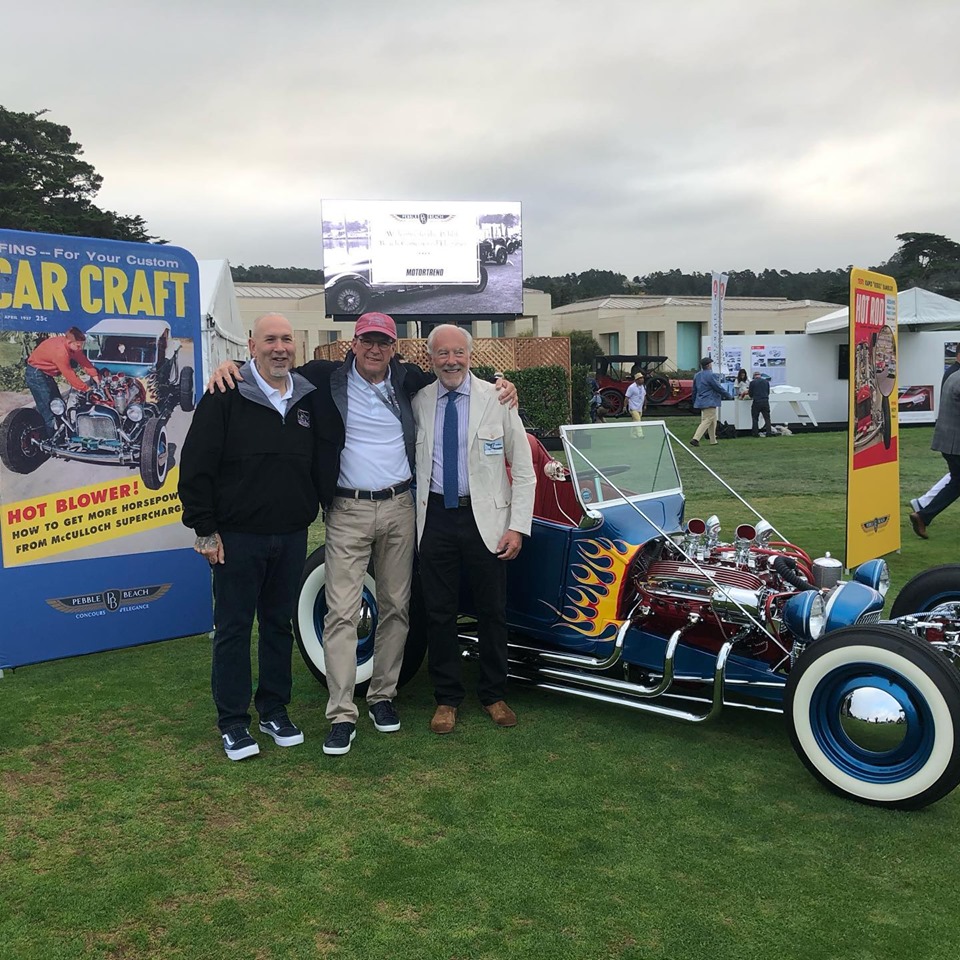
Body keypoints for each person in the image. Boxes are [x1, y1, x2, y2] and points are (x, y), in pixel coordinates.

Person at [208, 314, 517, 756]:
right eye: (368, 341)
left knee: (397, 608)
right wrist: (233, 367)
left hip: (400, 507)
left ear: (395, 348)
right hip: (347, 509)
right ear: (353, 344)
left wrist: (504, 385)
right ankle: (341, 712)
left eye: (384, 343)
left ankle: (383, 698)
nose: (375, 349)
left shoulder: (409, 380)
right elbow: (270, 368)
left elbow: (459, 376)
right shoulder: (321, 378)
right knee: (341, 612)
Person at [179, 314, 317, 760]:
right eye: (270, 340)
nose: (280, 348)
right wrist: (205, 530)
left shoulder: (307, 397)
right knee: (235, 629)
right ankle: (234, 722)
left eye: (287, 339)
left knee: (279, 626)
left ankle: (274, 709)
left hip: (292, 535)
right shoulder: (224, 394)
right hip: (237, 538)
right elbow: (196, 465)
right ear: (252, 345)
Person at [412, 324, 535, 735]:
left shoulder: (498, 398)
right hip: (435, 520)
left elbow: (523, 468)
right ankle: (446, 699)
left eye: (458, 353)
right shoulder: (419, 401)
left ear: (470, 354)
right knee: (439, 613)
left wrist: (517, 527)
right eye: (442, 354)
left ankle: (493, 694)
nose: (450, 361)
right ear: (430, 359)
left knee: (492, 612)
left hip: (487, 520)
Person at [910, 355, 960, 539]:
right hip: (955, 443)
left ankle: (923, 514)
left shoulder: (953, 374)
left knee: (956, 483)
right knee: (956, 483)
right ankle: (923, 514)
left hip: (948, 441)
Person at [25, 327, 100, 436]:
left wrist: (96, 377)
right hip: (36, 374)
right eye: (79, 345)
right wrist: (87, 388)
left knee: (59, 405)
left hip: (46, 374)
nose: (80, 348)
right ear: (70, 342)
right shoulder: (60, 352)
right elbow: (70, 375)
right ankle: (50, 440)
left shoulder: (73, 346)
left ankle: (64, 433)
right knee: (49, 410)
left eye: (82, 345)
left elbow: (83, 360)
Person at [690, 357, 728, 447]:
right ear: (708, 365)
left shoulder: (697, 375)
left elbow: (694, 389)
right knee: (707, 420)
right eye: (711, 364)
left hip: (701, 400)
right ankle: (696, 438)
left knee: (713, 420)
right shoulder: (711, 375)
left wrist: (694, 400)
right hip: (710, 400)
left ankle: (713, 440)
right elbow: (717, 387)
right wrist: (727, 395)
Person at [747, 371, 772, 437]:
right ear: (760, 375)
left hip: (757, 402)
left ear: (754, 376)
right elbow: (768, 392)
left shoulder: (752, 383)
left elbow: (750, 393)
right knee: (767, 418)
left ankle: (755, 433)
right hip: (765, 401)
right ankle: (769, 432)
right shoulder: (766, 382)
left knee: (755, 418)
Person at [625, 370, 645, 436]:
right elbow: (627, 398)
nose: (642, 380)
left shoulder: (642, 387)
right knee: (638, 420)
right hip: (633, 408)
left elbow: (644, 396)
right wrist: (625, 407)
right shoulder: (631, 387)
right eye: (640, 378)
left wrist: (645, 405)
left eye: (642, 378)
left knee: (635, 421)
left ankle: (633, 434)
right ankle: (640, 434)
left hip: (639, 407)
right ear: (636, 380)